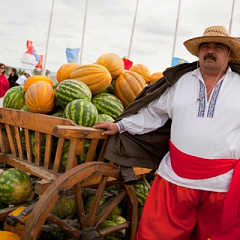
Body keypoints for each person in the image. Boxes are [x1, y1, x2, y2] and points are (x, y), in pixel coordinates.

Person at [93, 25, 240, 240]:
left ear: (229, 53)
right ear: (198, 53)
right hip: (175, 179)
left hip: (223, 184)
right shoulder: (179, 81)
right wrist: (121, 126)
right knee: (157, 235)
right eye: (205, 46)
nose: (210, 51)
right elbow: (152, 114)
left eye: (218, 46)